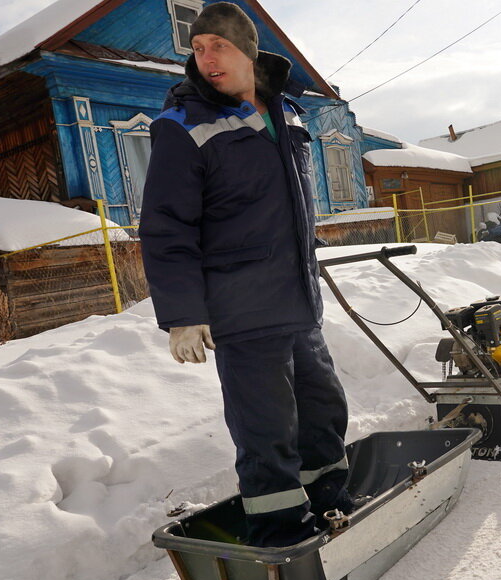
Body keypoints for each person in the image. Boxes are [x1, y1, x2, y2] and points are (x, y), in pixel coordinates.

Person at [138, 2, 353, 548]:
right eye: (197, 47)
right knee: (267, 433)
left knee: (322, 413)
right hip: (243, 311)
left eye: (219, 46)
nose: (206, 57)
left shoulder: (287, 112)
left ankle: (332, 504)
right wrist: (184, 316)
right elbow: (166, 227)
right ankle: (280, 538)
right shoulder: (183, 123)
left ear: (249, 52)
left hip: (299, 303)